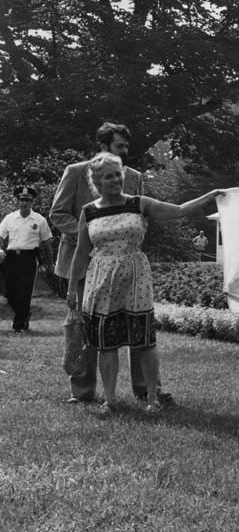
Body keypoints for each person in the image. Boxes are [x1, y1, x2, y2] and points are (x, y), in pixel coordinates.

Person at [65, 153, 222, 414]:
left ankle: (151, 397)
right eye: (108, 176)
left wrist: (210, 196)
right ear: (97, 181)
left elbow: (179, 210)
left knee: (144, 339)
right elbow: (81, 252)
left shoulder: (139, 204)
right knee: (106, 342)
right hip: (100, 280)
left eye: (118, 174)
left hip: (135, 278)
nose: (115, 180)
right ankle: (110, 398)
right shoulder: (89, 211)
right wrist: (72, 288)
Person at [50, 122, 171, 405]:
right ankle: (82, 391)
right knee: (90, 328)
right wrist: (88, 237)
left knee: (137, 326)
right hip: (85, 264)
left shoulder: (134, 176)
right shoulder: (76, 172)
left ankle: (146, 388)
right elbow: (58, 213)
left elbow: (141, 216)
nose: (125, 152)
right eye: (119, 146)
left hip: (124, 265)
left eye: (127, 147)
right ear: (103, 147)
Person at [0, 186, 54, 332]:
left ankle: (19, 325)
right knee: (10, 292)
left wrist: (50, 264)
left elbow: (46, 243)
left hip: (29, 258)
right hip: (11, 258)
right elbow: (0, 237)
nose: (24, 203)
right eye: (21, 200)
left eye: (27, 200)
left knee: (25, 291)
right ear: (17, 201)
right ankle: (24, 314)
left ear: (32, 202)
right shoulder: (10, 218)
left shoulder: (39, 220)